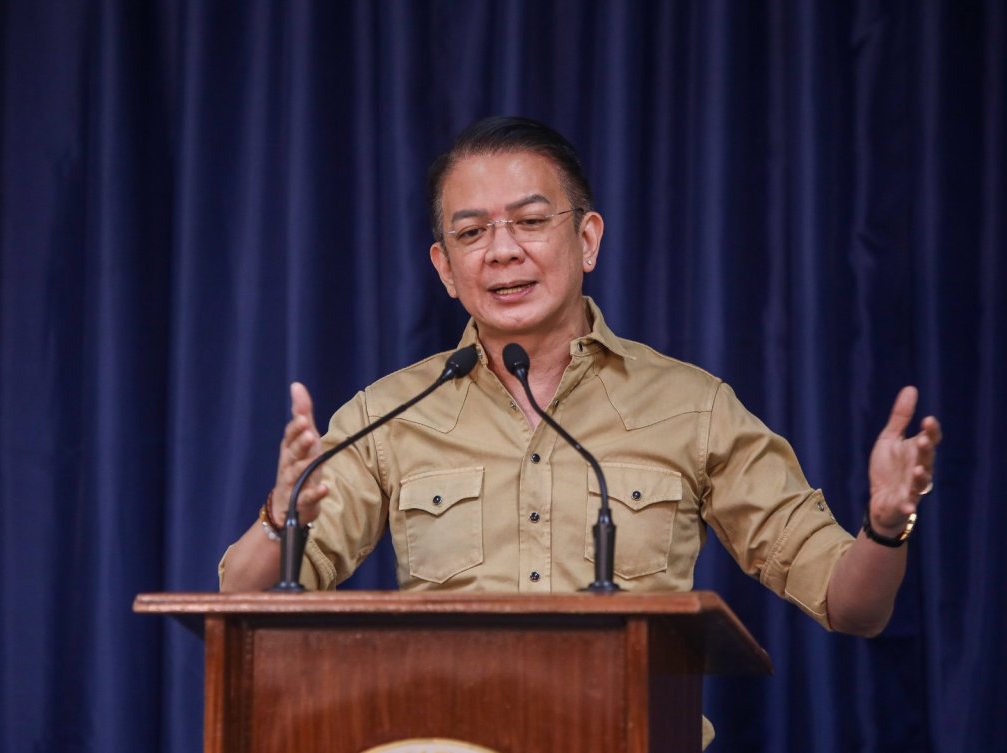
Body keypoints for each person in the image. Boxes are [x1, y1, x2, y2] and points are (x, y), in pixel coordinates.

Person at [219, 114, 940, 638]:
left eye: (530, 221)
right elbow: (242, 601)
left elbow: (851, 605)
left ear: (587, 239)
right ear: (445, 269)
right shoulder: (389, 414)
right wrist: (280, 514)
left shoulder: (692, 408)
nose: (502, 251)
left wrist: (886, 526)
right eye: (471, 233)